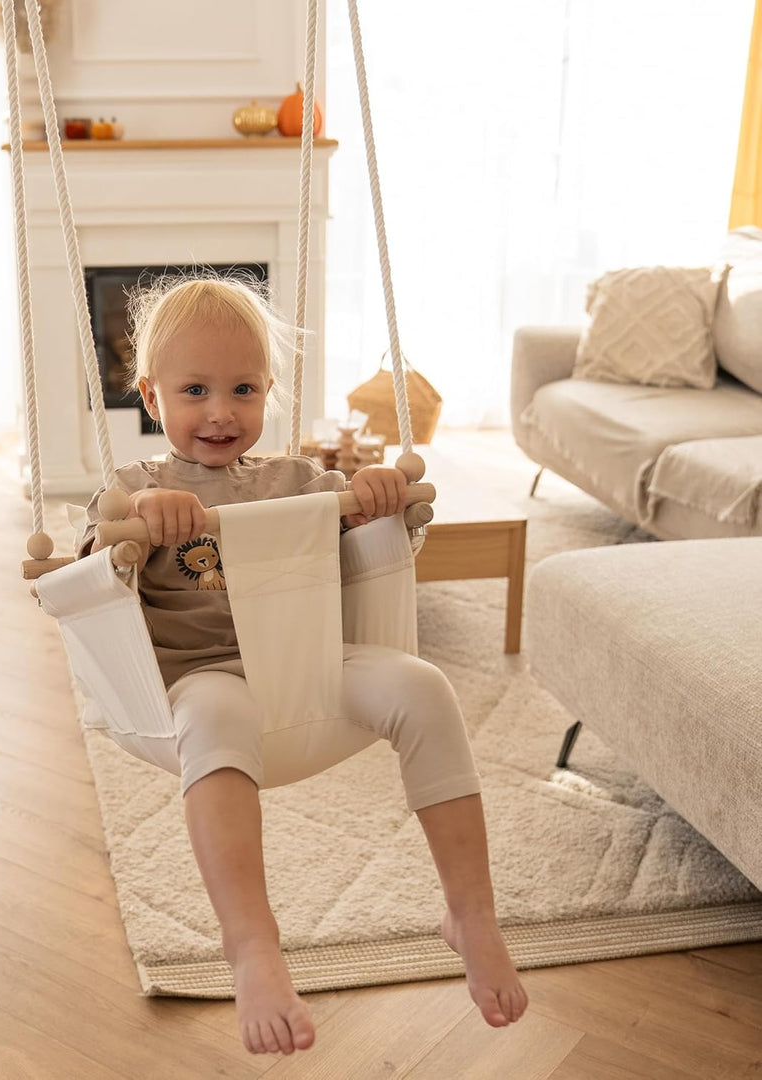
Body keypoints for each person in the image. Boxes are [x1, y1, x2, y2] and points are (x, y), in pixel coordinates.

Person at [77, 274, 528, 1056]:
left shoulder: (296, 481)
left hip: (309, 662)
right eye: (195, 390)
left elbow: (366, 533)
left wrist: (378, 494)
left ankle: (471, 913)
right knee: (215, 717)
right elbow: (91, 563)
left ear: (269, 392)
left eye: (243, 389)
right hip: (199, 678)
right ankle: (252, 946)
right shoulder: (133, 488)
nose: (221, 411)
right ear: (151, 397)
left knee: (423, 687)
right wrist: (138, 524)